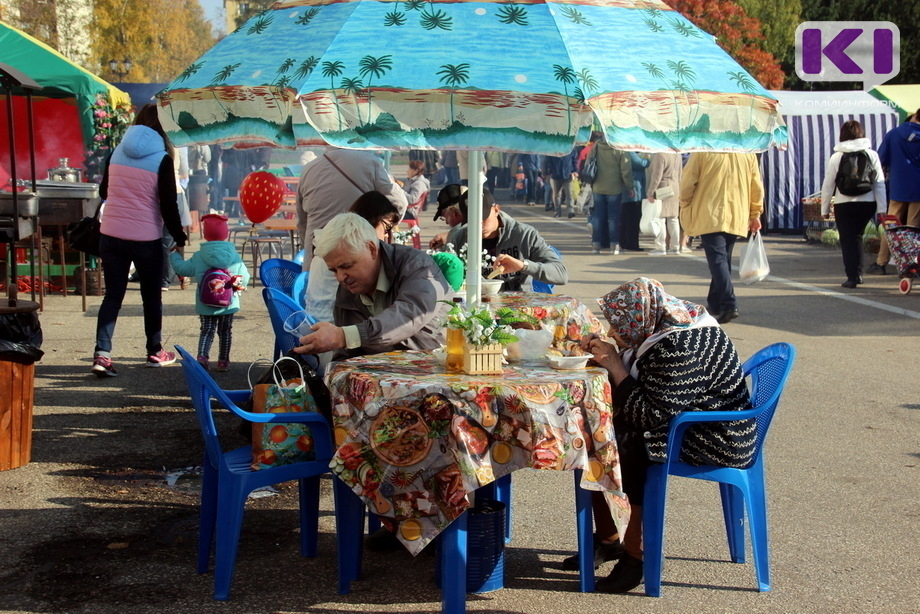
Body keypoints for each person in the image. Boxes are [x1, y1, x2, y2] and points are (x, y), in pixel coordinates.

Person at [570, 277, 755, 594]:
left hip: (715, 436)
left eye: (620, 326)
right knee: (593, 431)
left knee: (620, 441)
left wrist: (615, 364)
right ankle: (609, 538)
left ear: (643, 316)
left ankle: (636, 555)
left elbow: (648, 415)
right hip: (686, 417)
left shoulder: (682, 346)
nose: (614, 333)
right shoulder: (668, 324)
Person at [91, 103, 188, 377]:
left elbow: (103, 191)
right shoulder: (162, 159)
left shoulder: (117, 152)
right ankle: (155, 351)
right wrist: (179, 238)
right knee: (151, 297)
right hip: (146, 237)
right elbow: (169, 206)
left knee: (112, 296)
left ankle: (102, 354)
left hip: (111, 234)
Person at [292, 212, 452, 361]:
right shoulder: (349, 287)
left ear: (371, 249)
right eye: (333, 270)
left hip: (438, 372)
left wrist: (344, 336)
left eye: (346, 266)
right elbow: (345, 356)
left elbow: (406, 317)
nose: (340, 277)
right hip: (384, 377)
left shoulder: (418, 267)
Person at [296, 148, 407, 319]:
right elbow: (399, 203)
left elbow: (302, 222)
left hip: (317, 254)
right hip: (358, 263)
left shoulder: (310, 168)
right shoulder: (370, 162)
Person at [679, 152, 763, 324]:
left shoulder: (703, 151)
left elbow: (688, 181)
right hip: (737, 214)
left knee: (718, 260)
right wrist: (755, 213)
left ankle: (729, 304)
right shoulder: (747, 153)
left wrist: (684, 202)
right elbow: (756, 185)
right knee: (723, 259)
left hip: (710, 213)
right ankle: (715, 303)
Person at [170, 214, 250, 372]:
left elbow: (182, 269)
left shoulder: (199, 256)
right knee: (225, 331)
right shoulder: (234, 256)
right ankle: (223, 361)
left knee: (207, 330)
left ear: (205, 234)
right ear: (226, 233)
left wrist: (174, 256)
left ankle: (202, 356)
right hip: (229, 304)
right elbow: (245, 278)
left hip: (205, 303)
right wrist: (237, 285)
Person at [446, 188, 568, 291]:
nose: (478, 224)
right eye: (472, 220)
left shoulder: (524, 234)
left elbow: (561, 274)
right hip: (476, 307)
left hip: (519, 309)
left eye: (483, 218)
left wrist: (523, 265)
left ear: (496, 209)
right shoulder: (459, 238)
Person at [819, 120, 887, 288]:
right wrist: (882, 208)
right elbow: (879, 183)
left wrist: (825, 208)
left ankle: (853, 276)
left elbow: (828, 184)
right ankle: (858, 274)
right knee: (858, 236)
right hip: (867, 202)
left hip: (844, 203)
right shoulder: (872, 155)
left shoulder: (837, 156)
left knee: (849, 240)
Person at [870, 109, 920, 275]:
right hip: (918, 189)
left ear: (914, 116)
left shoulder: (894, 134)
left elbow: (880, 159)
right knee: (912, 228)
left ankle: (881, 262)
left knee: (891, 227)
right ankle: (909, 265)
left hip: (898, 187)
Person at [589, 140, 634, 254]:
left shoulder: (597, 145)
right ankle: (614, 245)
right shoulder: (620, 147)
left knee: (598, 216)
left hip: (598, 186)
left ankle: (596, 245)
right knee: (613, 217)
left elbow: (588, 163)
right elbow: (626, 169)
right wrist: (630, 186)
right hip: (614, 187)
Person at [644, 152, 683, 255]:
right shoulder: (677, 154)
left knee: (660, 218)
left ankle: (660, 246)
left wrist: (650, 192)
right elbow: (680, 173)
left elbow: (657, 176)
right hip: (675, 187)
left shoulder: (660, 155)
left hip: (663, 187)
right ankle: (675, 247)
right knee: (673, 218)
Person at [619, 152, 650, 251]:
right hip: (634, 190)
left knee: (627, 219)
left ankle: (625, 242)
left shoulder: (625, 151)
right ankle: (632, 244)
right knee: (633, 220)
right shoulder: (629, 152)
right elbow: (640, 164)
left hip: (630, 191)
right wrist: (648, 159)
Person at [400, 159, 430, 249]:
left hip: (410, 211)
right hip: (409, 209)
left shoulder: (419, 184)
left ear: (416, 171)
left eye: (409, 169)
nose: (407, 171)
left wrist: (399, 191)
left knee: (385, 215)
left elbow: (412, 199)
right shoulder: (413, 181)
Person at [428, 184, 468, 250]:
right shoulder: (481, 221)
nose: (446, 222)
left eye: (445, 217)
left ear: (453, 211)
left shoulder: (457, 232)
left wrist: (451, 235)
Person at [544, 148, 579, 218]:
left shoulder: (571, 149)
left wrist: (575, 171)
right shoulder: (552, 149)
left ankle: (570, 211)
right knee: (556, 195)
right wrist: (549, 171)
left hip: (568, 174)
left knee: (569, 193)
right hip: (555, 175)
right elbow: (547, 161)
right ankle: (557, 211)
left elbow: (574, 161)